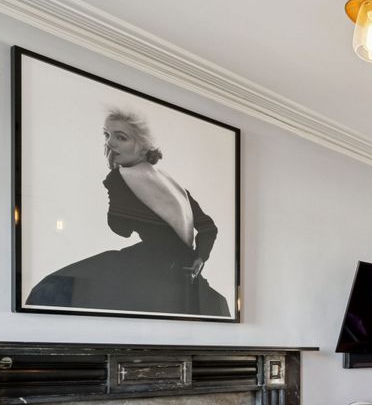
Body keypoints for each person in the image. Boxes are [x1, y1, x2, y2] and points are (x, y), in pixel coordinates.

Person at [26, 109, 230, 317]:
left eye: (121, 137)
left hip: (155, 264)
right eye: (107, 135)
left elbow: (120, 228)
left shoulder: (121, 177)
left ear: (142, 146)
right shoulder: (173, 183)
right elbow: (208, 228)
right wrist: (199, 257)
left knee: (55, 288)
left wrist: (113, 176)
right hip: (183, 263)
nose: (110, 143)